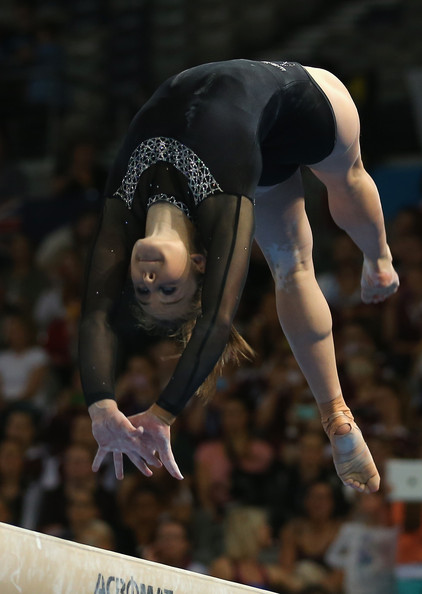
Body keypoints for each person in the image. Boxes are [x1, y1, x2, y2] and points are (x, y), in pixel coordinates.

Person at [78, 59, 399, 493]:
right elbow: (216, 320)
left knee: (337, 195)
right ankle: (337, 413)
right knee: (295, 260)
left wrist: (100, 408)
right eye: (168, 289)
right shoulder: (221, 203)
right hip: (297, 113)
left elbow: (95, 313)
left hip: (274, 120)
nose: (150, 280)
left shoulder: (122, 207)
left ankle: (378, 257)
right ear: (198, 264)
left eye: (143, 288)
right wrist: (162, 415)